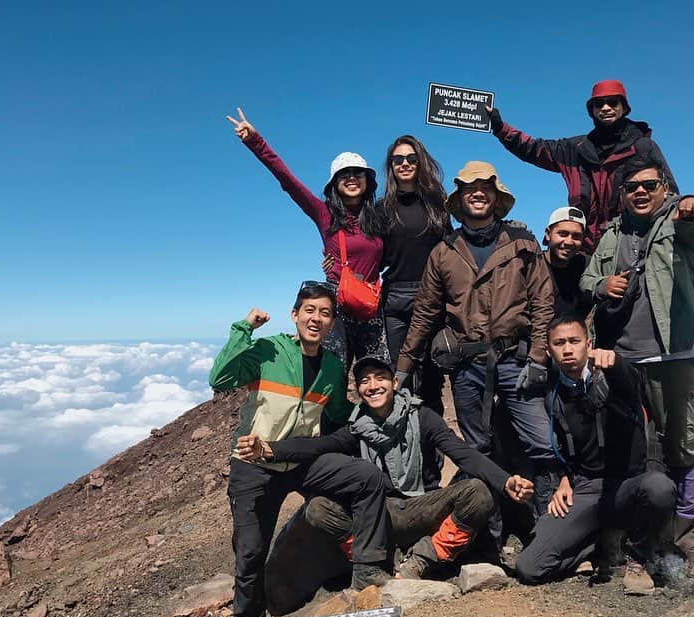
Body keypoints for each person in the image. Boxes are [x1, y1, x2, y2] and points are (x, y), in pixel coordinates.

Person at [236, 355, 535, 580]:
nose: (372, 385)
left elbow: (463, 453)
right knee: (317, 509)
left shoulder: (423, 417)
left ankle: (423, 559)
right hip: (378, 517)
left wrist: (505, 481)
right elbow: (317, 446)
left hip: (423, 505)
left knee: (479, 493)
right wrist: (270, 449)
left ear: (394, 383)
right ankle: (380, 562)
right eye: (364, 381)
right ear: (359, 390)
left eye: (379, 377)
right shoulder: (356, 428)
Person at [208, 283, 393, 617]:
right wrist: (243, 328)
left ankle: (369, 571)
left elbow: (339, 412)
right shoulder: (268, 350)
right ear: (295, 315)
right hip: (254, 463)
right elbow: (220, 378)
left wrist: (379, 407)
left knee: (366, 478)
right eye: (310, 311)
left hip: (301, 460)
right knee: (250, 551)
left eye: (325, 313)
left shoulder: (332, 365)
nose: (317, 318)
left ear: (331, 322)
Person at [395, 161, 557, 517]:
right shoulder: (444, 251)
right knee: (477, 449)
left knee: (541, 443)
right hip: (468, 365)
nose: (478, 194)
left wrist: (539, 357)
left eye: (485, 188)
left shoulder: (523, 245)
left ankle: (550, 526)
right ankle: (488, 533)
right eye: (470, 189)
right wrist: (404, 368)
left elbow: (543, 303)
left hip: (517, 359)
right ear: (461, 198)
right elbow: (424, 313)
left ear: (496, 198)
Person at [579, 158, 694, 574]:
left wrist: (692, 203)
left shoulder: (677, 222)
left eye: (649, 185)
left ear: (664, 188)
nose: (640, 192)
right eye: (632, 187)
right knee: (626, 448)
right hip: (621, 357)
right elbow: (587, 280)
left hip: (674, 355)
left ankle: (692, 539)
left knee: (681, 446)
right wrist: (603, 285)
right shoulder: (613, 234)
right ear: (622, 195)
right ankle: (634, 536)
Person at [514, 316, 675, 595]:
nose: (567, 349)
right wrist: (564, 479)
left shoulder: (611, 376)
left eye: (574, 341)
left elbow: (631, 387)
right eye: (559, 343)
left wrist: (616, 363)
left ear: (588, 345)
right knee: (529, 567)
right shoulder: (552, 394)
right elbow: (559, 448)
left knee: (659, 488)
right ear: (549, 350)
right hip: (587, 489)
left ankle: (637, 556)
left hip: (629, 484)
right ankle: (594, 544)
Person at [226, 107, 389, 369]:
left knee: (376, 372)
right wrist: (255, 141)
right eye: (343, 175)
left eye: (357, 174)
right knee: (332, 373)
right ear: (334, 183)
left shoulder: (379, 217)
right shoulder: (324, 214)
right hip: (336, 306)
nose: (351, 179)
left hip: (371, 304)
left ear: (367, 181)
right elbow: (288, 181)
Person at [486, 80, 694, 253]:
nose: (606, 108)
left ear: (624, 108)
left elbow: (668, 192)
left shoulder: (644, 147)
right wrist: (500, 128)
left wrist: (689, 201)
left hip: (630, 249)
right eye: (599, 104)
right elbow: (534, 149)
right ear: (591, 111)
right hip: (583, 251)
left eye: (613, 102)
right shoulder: (573, 149)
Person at [378, 135, 452, 416]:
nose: (405, 164)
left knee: (432, 377)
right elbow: (371, 253)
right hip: (395, 299)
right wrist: (334, 262)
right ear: (391, 166)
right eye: (398, 160)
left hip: (433, 295)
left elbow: (451, 248)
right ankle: (406, 450)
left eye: (411, 158)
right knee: (400, 375)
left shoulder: (438, 204)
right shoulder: (381, 208)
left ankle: (431, 454)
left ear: (421, 163)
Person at [544, 206, 592, 319]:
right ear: (548, 234)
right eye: (563, 234)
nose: (569, 242)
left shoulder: (587, 266)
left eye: (576, 236)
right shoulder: (534, 266)